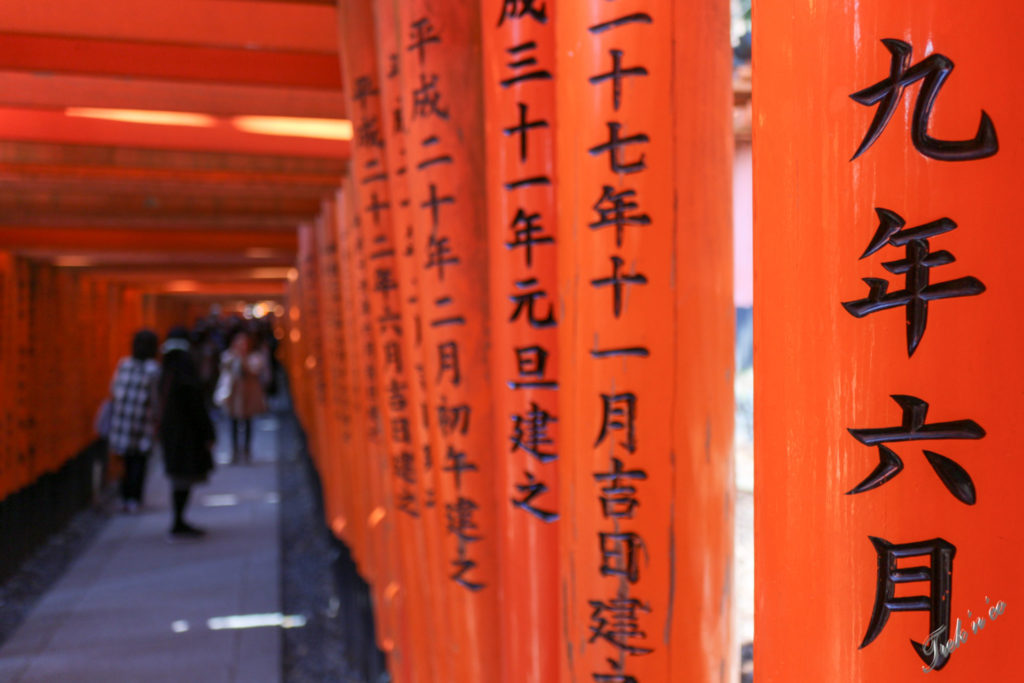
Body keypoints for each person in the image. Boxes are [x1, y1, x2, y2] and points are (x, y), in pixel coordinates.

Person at [158, 327, 215, 539]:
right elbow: (196, 404)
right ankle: (178, 521)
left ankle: (178, 520)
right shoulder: (184, 370)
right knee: (183, 477)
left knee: (178, 477)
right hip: (186, 434)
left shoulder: (166, 368)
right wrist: (208, 432)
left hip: (171, 431)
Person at [106, 329, 160, 513]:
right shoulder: (153, 369)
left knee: (125, 462)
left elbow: (113, 388)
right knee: (139, 461)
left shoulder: (124, 364)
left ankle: (124, 497)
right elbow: (154, 398)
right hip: (141, 421)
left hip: (122, 420)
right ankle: (135, 499)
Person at [220, 328, 268, 464]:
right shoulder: (229, 356)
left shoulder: (254, 356)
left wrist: (243, 359)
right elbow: (225, 368)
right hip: (234, 395)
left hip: (249, 395)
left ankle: (247, 451)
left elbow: (255, 369)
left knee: (248, 423)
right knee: (233, 423)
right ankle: (235, 451)